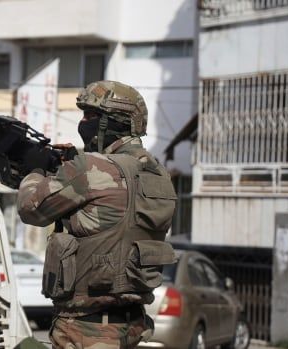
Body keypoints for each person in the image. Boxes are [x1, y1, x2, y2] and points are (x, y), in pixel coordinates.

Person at [17, 81, 177, 348]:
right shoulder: (159, 175)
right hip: (131, 326)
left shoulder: (90, 168)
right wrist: (72, 165)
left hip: (84, 328)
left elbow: (30, 209)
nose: (83, 122)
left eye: (90, 115)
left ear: (112, 122)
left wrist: (35, 171)